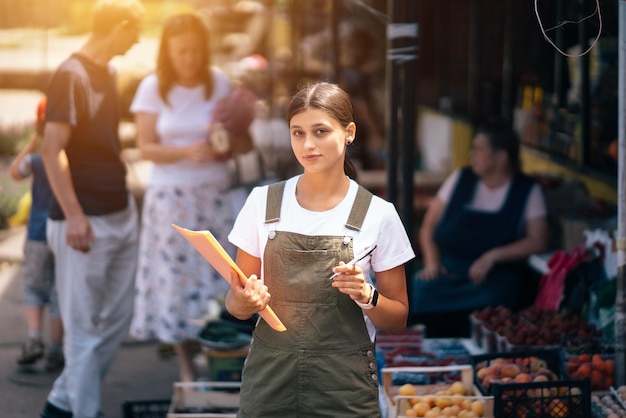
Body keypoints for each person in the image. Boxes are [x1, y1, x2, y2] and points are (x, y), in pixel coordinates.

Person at [225, 82, 415, 417]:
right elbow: (237, 304)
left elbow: (398, 318)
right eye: (297, 133)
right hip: (270, 383)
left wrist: (366, 295)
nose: (308, 144)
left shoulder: (378, 215)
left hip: (344, 388)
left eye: (320, 131)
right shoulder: (262, 203)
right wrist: (242, 302)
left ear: (350, 132)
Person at [128, 12, 252, 383]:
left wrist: (226, 142)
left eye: (196, 51)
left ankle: (222, 356)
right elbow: (145, 147)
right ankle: (186, 365)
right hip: (170, 199)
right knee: (176, 282)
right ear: (168, 52)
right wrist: (185, 152)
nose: (190, 59)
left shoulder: (219, 82)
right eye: (182, 52)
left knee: (220, 277)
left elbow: (241, 139)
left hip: (214, 196)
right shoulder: (152, 87)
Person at [38, 1, 144, 417]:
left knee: (117, 320)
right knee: (82, 334)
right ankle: (83, 410)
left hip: (120, 213)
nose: (136, 40)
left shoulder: (109, 72)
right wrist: (75, 215)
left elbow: (104, 144)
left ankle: (62, 403)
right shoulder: (71, 75)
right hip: (82, 224)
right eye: (133, 31)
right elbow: (52, 151)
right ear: (118, 27)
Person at [413, 123, 549, 338]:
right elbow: (428, 226)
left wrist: (493, 256)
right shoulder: (461, 178)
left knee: (493, 304)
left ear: (501, 157)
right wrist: (432, 262)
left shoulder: (527, 190)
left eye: (479, 149)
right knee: (422, 289)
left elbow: (538, 240)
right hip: (448, 270)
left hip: (491, 277)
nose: (472, 154)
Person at [10, 96, 64, 373]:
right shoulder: (69, 159)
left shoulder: (37, 159)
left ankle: (34, 340)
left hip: (37, 234)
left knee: (33, 286)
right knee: (59, 291)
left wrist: (33, 142)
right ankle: (56, 349)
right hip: (64, 233)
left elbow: (14, 173)